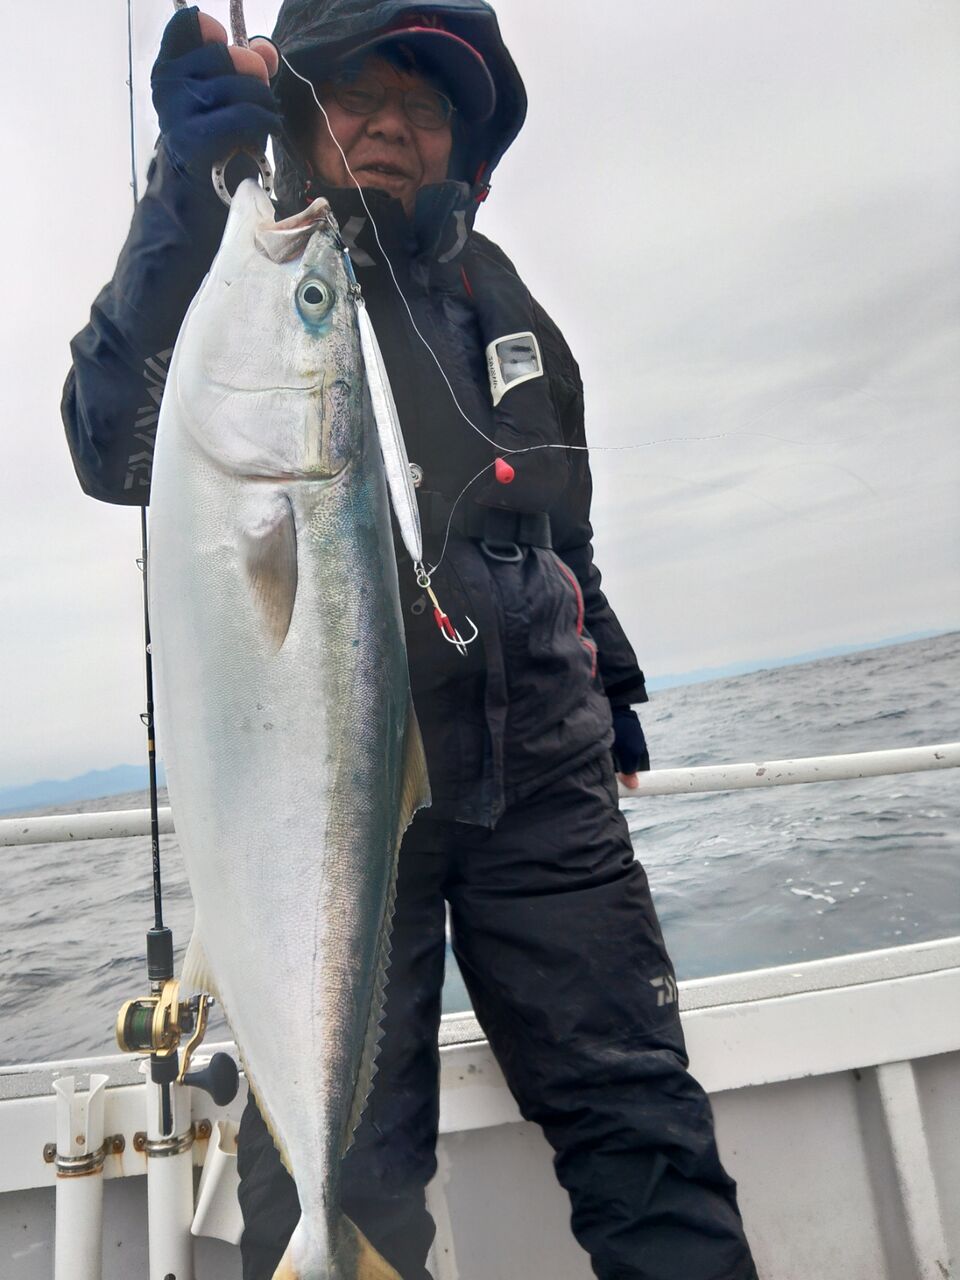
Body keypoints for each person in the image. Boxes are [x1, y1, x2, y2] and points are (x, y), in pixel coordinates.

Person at [63, 3, 758, 1278]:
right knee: (344, 1177)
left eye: (425, 104)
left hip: (545, 781)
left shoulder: (506, 302)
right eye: (358, 92)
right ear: (300, 106)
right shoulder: (246, 278)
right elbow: (112, 441)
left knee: (643, 1122)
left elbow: (558, 528)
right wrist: (183, 184)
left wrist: (614, 689)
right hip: (328, 791)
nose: (391, 125)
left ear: (463, 140)